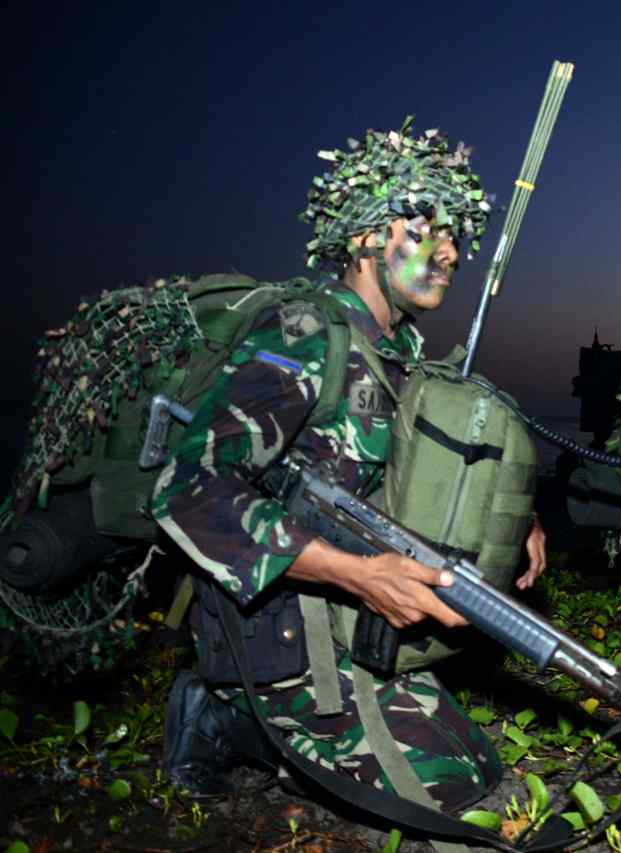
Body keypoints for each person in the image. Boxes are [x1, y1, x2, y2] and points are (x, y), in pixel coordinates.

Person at [153, 120, 546, 810]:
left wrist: (520, 518)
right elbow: (190, 488)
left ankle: (270, 720)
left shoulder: (403, 360)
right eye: (427, 230)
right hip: (282, 629)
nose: (451, 253)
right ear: (366, 237)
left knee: (480, 768)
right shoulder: (305, 336)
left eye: (456, 237)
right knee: (445, 794)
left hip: (351, 626)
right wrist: (360, 575)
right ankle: (226, 712)